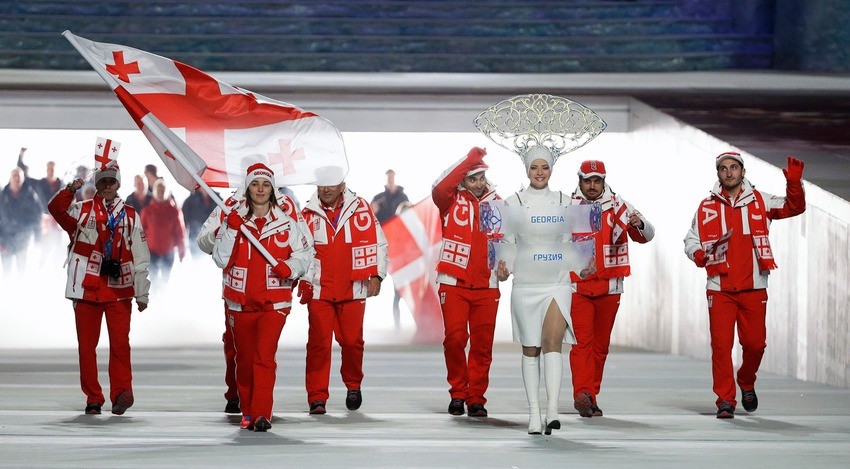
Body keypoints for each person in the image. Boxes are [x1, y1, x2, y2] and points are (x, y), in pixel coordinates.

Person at [684, 152, 805, 419]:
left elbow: (794, 207)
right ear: (718, 174)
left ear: (743, 171)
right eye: (723, 168)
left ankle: (746, 380)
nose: (729, 172)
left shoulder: (761, 200)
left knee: (756, 345)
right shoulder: (706, 206)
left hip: (754, 287)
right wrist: (698, 254)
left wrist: (794, 183)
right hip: (719, 288)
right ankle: (725, 400)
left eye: (734, 167)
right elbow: (690, 239)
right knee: (721, 347)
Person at [211, 163, 312, 432]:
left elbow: (305, 254)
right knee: (244, 360)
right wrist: (231, 230)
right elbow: (220, 259)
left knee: (264, 357)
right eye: (255, 184)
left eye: (266, 185)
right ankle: (247, 409)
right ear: (247, 189)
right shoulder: (233, 220)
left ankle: (262, 413)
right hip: (240, 301)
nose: (260, 189)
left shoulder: (286, 223)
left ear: (272, 190)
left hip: (274, 301)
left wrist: (290, 267)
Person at [47, 154, 150, 416]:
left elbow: (140, 255)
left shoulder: (130, 215)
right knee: (87, 347)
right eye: (102, 181)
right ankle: (93, 397)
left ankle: (121, 394)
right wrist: (70, 190)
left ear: (118, 184)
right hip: (86, 288)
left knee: (120, 345)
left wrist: (142, 293)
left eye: (111, 181)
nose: (107, 186)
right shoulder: (81, 209)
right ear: (96, 183)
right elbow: (55, 210)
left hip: (119, 289)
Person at [493, 145, 583, 435]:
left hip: (557, 281)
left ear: (552, 170)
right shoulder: (512, 203)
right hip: (526, 283)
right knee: (531, 347)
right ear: (527, 170)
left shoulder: (566, 202)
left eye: (544, 167)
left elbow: (569, 243)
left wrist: (582, 267)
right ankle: (534, 413)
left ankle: (552, 409)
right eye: (534, 167)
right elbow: (507, 243)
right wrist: (503, 269)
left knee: (553, 341)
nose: (540, 173)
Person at [567, 160, 655, 417]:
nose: (592, 186)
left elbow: (648, 235)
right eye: (588, 181)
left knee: (600, 346)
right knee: (581, 344)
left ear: (604, 182)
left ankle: (591, 396)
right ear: (580, 181)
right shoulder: (567, 207)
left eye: (597, 181)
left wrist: (639, 224)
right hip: (577, 285)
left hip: (610, 285)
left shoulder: (620, 205)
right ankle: (582, 393)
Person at [298, 180, 388, 414]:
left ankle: (353, 384)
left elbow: (379, 242)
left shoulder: (361, 208)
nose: (326, 189)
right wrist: (304, 279)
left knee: (352, 342)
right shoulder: (307, 214)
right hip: (320, 290)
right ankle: (317, 397)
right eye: (322, 185)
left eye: (332, 184)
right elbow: (301, 251)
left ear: (342, 185)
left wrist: (377, 275)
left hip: (353, 287)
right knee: (318, 345)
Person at [431, 147, 501, 418]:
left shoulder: (498, 203)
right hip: (453, 281)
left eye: (481, 177)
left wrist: (508, 263)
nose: (479, 183)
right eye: (472, 178)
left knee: (483, 345)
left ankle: (476, 398)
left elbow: (509, 239)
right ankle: (458, 393)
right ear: (462, 180)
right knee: (455, 338)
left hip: (487, 284)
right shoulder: (449, 200)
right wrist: (468, 161)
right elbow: (440, 186)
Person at [371, 169, 410, 329]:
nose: (390, 178)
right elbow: (369, 221)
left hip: (400, 248)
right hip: (384, 248)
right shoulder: (378, 198)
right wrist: (373, 212)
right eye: (388, 176)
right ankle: (397, 326)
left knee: (399, 290)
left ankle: (399, 325)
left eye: (392, 176)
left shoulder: (403, 197)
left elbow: (410, 220)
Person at [141, 179, 186, 284]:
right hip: (152, 252)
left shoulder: (174, 211)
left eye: (163, 190)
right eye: (158, 190)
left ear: (167, 192)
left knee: (165, 282)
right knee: (154, 282)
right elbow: (140, 232)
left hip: (168, 252)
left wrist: (182, 252)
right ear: (154, 192)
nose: (160, 193)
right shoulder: (147, 211)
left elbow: (180, 233)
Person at [0, 167, 42, 275]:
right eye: (14, 176)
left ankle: (21, 285)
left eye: (19, 176)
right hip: (5, 240)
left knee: (21, 271)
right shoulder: (2, 195)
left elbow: (37, 217)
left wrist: (38, 237)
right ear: (10, 178)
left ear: (23, 178)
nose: (16, 178)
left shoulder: (31, 195)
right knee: (6, 273)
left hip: (23, 239)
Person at [182, 187, 217, 257]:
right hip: (195, 240)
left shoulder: (217, 199)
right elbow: (183, 222)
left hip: (214, 240)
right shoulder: (190, 201)